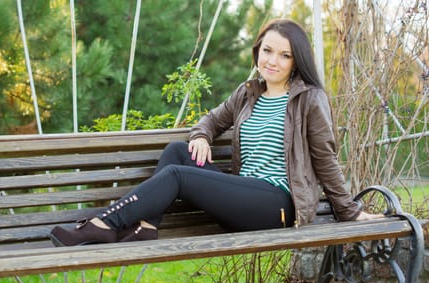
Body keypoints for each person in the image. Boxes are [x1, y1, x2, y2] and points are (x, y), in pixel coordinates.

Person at [50, 18, 382, 247]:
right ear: (257, 51)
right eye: (267, 51)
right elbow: (210, 120)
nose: (273, 61)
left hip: (276, 205)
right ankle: (145, 228)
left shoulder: (309, 99)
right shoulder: (249, 92)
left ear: (296, 62)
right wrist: (200, 136)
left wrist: (349, 211)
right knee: (178, 152)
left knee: (178, 175)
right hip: (242, 198)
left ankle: (102, 224)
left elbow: (325, 158)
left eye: (285, 55)